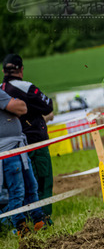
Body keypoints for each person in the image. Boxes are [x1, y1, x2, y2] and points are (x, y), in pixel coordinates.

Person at [2, 54, 55, 219]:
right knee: (42, 182)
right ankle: (43, 219)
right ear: (21, 69)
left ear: (3, 71)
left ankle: (21, 220)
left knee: (17, 187)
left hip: (11, 148)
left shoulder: (1, 90)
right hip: (34, 142)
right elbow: (48, 106)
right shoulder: (26, 87)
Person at [0, 88, 48, 237]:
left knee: (30, 186)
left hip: (16, 148)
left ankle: (38, 221)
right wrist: (15, 103)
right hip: (9, 151)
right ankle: (21, 228)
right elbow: (22, 108)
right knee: (17, 191)